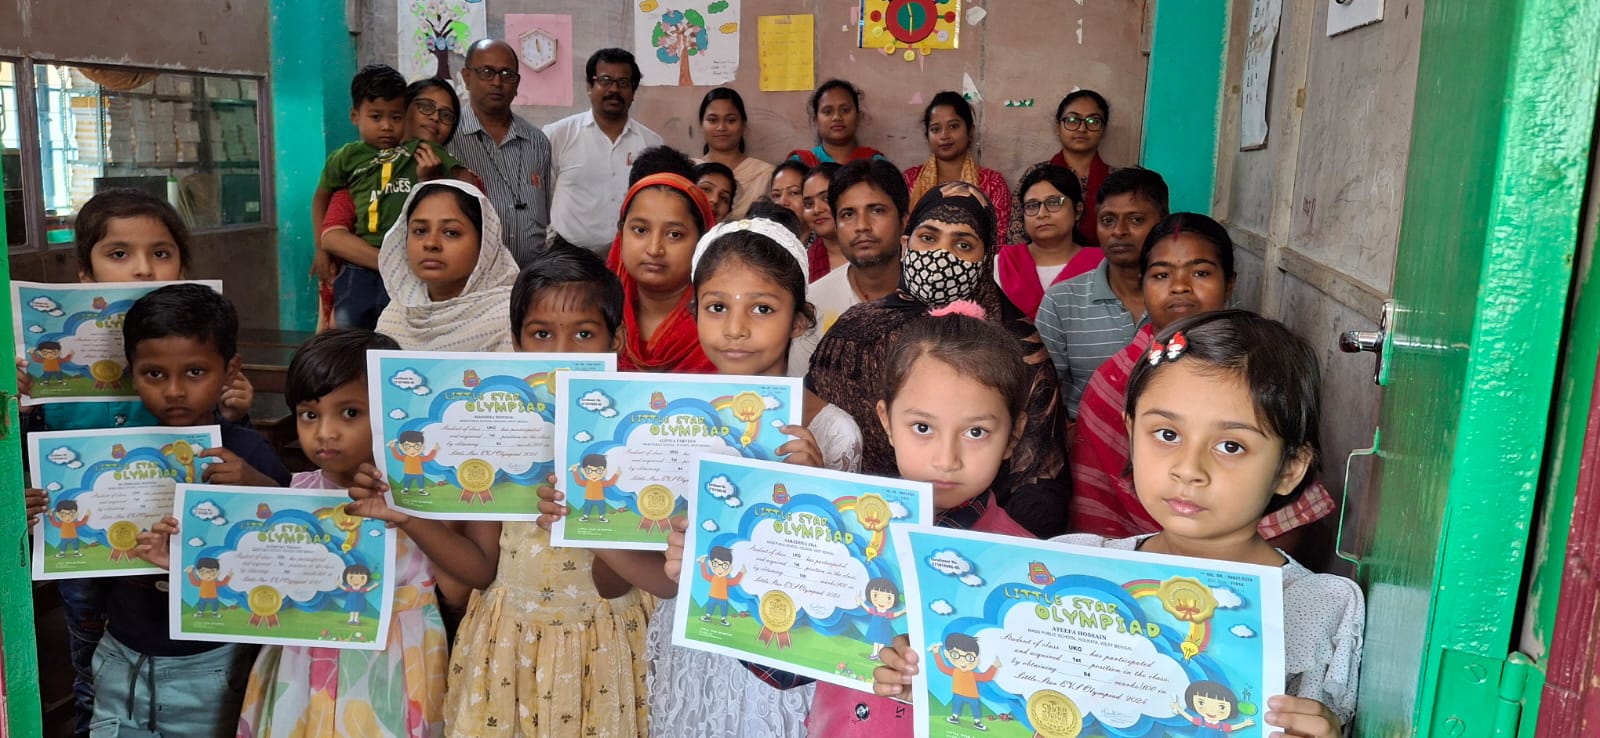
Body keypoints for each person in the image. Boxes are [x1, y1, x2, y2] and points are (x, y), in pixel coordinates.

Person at [875, 310, 1366, 738]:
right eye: (1167, 434)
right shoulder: (1077, 564)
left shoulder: (1321, 609)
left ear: (1289, 468)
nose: (1188, 469)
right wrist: (920, 675)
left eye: (1231, 445)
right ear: (1131, 432)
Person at [541, 219, 838, 736]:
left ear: (799, 320)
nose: (736, 328)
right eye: (717, 306)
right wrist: (579, 520)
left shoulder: (831, 433)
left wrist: (816, 496)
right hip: (693, 665)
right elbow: (661, 581)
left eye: (762, 308)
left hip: (780, 681)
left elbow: (830, 603)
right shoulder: (670, 426)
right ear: (694, 310)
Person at [14, 188, 253, 738]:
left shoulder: (192, 346)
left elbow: (225, 458)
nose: (143, 267)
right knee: (90, 661)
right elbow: (28, 449)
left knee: (174, 647)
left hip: (173, 539)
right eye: (118, 254)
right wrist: (18, 399)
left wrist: (232, 409)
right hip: (82, 543)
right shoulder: (50, 361)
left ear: (184, 265)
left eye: (161, 253)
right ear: (84, 273)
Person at [768, 307, 1036, 735]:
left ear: (1013, 436)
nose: (946, 459)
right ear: (886, 422)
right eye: (923, 427)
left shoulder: (1028, 570)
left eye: (976, 432)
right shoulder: (843, 535)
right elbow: (782, 667)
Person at [237, 328, 499, 738]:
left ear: (392, 411)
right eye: (310, 414)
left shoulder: (418, 497)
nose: (325, 432)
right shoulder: (297, 493)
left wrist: (410, 517)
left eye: (350, 413)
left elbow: (465, 585)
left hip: (396, 662)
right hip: (303, 662)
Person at [80, 284, 290, 736]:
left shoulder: (248, 453)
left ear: (229, 370)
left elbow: (291, 546)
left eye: (195, 371)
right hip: (122, 657)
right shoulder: (106, 457)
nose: (174, 391)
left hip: (214, 664)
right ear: (131, 372)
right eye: (154, 374)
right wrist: (38, 514)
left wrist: (257, 484)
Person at [808, 182, 1068, 537]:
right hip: (857, 528)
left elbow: (1038, 485)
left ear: (987, 256)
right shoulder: (856, 329)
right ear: (906, 244)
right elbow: (818, 427)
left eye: (963, 244)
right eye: (928, 238)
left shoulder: (1018, 343)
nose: (941, 255)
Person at [1069, 213, 1336, 548]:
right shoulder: (1110, 381)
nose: (1179, 286)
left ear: (1230, 283)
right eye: (1162, 274)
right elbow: (1097, 502)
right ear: (1143, 285)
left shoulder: (1263, 370)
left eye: (1200, 272)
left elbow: (1288, 524)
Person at [312, 64, 464, 329]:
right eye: (425, 107)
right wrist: (321, 250)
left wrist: (433, 182)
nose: (434, 118)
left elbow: (470, 195)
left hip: (417, 272)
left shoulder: (429, 155)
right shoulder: (349, 160)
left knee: (404, 333)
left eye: (446, 114)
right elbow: (330, 233)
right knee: (349, 333)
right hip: (363, 272)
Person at [1036, 167, 1169, 420]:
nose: (1119, 231)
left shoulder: (1180, 300)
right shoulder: (1061, 301)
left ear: (1162, 222)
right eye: (1108, 220)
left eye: (1136, 219)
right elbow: (1044, 395)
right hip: (1085, 446)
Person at [786, 159, 908, 376]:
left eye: (877, 210)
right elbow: (804, 398)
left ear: (904, 221)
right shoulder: (815, 304)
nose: (862, 226)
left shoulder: (934, 294)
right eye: (848, 214)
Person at [375, 180, 519, 353]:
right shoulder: (396, 314)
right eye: (420, 231)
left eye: (451, 232)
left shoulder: (511, 317)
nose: (430, 243)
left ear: (485, 244)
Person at [448, 39, 556, 265]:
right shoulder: (448, 139)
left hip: (530, 278)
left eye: (507, 74)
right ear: (466, 77)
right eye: (487, 72)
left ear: (517, 84)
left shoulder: (537, 141)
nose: (497, 82)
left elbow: (546, 216)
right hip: (471, 280)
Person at [547, 48, 664, 254]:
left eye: (623, 83)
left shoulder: (652, 143)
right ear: (589, 86)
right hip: (568, 254)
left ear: (633, 91)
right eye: (605, 80)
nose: (613, 90)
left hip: (628, 253)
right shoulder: (558, 135)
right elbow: (542, 193)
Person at [604, 172, 718, 372]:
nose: (655, 249)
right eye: (640, 230)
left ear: (702, 241)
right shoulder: (596, 312)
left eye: (674, 234)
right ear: (622, 234)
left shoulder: (724, 325)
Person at [1007, 90, 1115, 245]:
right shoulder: (1036, 174)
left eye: (1092, 121)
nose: (1081, 128)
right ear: (1058, 126)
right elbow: (1017, 234)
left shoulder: (1116, 180)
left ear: (1103, 129)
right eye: (1072, 120)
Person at [996, 164, 1103, 319]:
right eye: (1032, 206)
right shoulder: (1003, 265)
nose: (1042, 214)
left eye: (1054, 202)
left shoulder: (1102, 266)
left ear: (1078, 210)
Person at [902, 91, 1011, 236]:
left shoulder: (993, 183)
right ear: (927, 135)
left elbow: (998, 239)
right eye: (935, 129)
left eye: (953, 126)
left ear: (970, 131)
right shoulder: (909, 180)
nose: (944, 135)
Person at [695, 87, 775, 219]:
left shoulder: (765, 174)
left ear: (743, 124)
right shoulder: (688, 170)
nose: (721, 127)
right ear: (701, 123)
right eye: (713, 120)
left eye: (731, 120)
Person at [786, 80, 885, 166]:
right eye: (828, 112)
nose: (837, 117)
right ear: (815, 120)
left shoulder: (875, 163)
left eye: (845, 110)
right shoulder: (800, 163)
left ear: (858, 117)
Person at [801, 162, 844, 282]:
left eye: (826, 198)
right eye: (809, 204)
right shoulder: (803, 266)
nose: (817, 209)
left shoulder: (877, 250)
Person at [768, 159, 812, 244]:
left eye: (794, 193)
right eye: (776, 195)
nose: (782, 202)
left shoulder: (826, 244)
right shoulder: (763, 243)